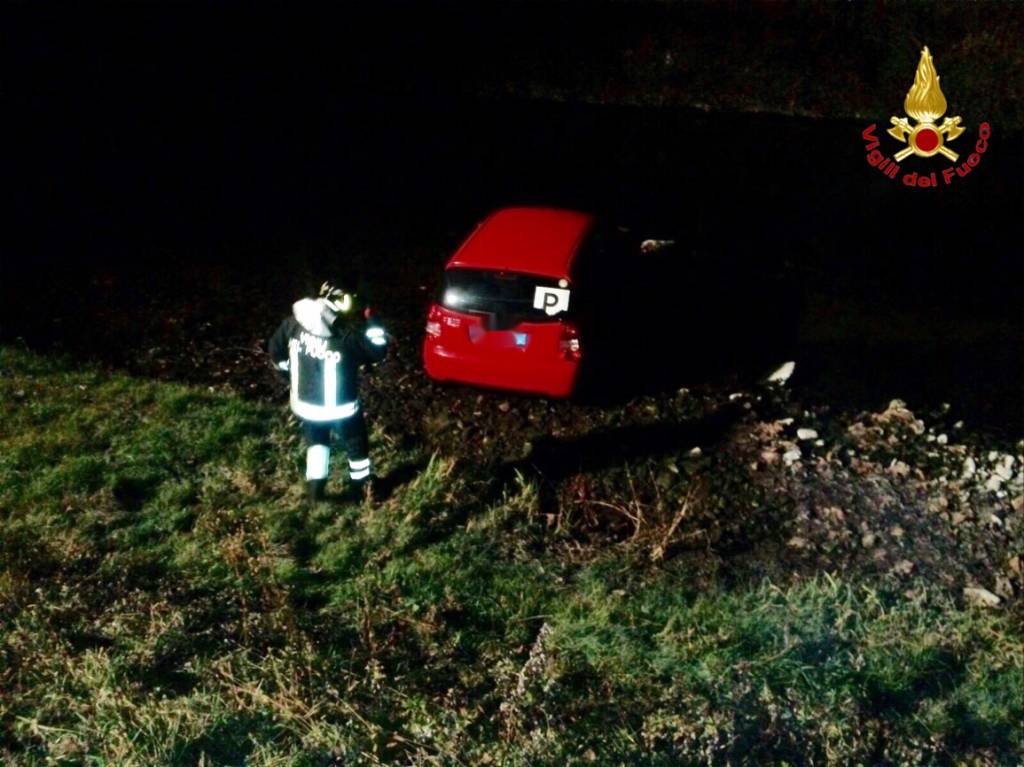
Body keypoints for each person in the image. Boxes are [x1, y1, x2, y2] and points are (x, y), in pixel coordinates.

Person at [268, 281, 388, 501]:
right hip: (341, 409)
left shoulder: (293, 325)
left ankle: (315, 491)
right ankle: (362, 487)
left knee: (317, 442)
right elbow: (378, 350)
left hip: (305, 405)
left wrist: (290, 375)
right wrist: (373, 320)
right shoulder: (346, 338)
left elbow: (275, 352)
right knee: (355, 442)